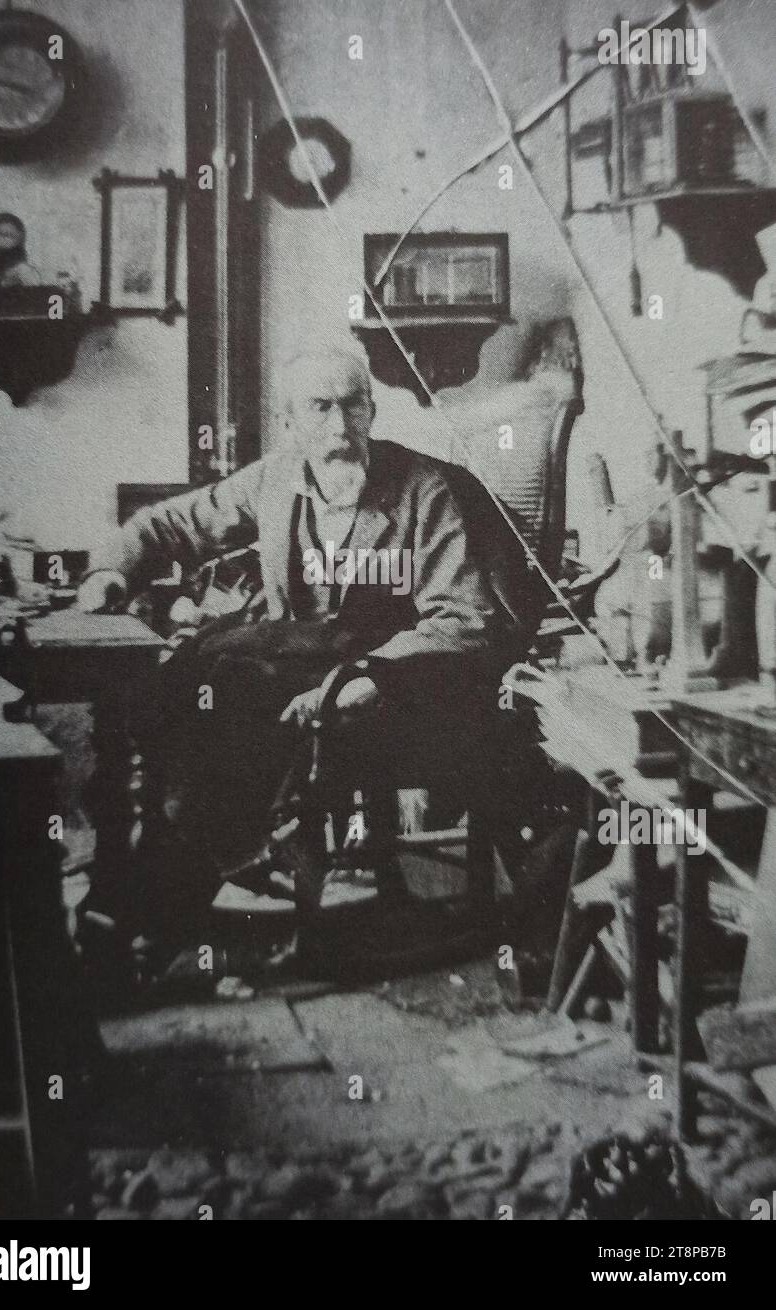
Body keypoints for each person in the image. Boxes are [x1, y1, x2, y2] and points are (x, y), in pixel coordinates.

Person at [78, 349, 533, 955]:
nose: (340, 429)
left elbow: (463, 618)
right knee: (190, 703)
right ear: (291, 420)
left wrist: (375, 677)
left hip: (395, 689)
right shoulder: (275, 479)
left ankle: (158, 908)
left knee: (227, 711)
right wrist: (110, 572)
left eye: (353, 407)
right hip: (285, 673)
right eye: (320, 409)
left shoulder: (428, 490)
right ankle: (152, 895)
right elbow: (169, 525)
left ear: (371, 411)